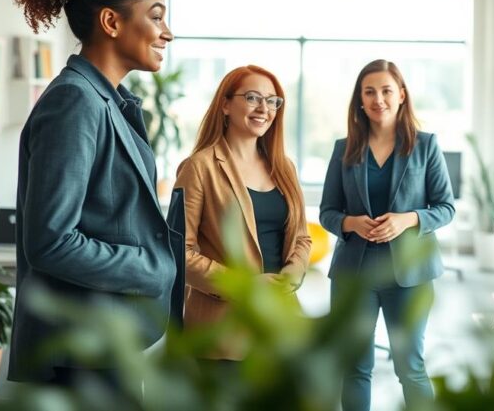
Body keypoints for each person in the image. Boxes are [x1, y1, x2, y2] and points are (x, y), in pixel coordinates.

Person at [9, 0, 180, 385]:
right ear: (111, 22)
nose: (168, 32)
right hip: (78, 345)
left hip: (102, 339)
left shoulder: (105, 100)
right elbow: (51, 241)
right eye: (157, 16)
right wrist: (152, 266)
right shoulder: (75, 101)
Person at [319, 59, 455, 411]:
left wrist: (408, 219)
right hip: (354, 276)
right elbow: (328, 213)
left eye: (386, 90)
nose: (378, 98)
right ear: (360, 100)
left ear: (401, 95)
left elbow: (445, 207)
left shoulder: (425, 145)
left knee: (410, 366)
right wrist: (352, 223)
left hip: (410, 276)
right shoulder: (343, 148)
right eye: (370, 92)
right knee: (355, 367)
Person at [174, 65, 311, 363]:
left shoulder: (284, 167)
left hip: (280, 325)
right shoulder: (199, 167)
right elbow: (178, 252)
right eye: (252, 98)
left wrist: (292, 275)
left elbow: (301, 238)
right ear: (225, 104)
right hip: (222, 332)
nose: (264, 108)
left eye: (273, 101)